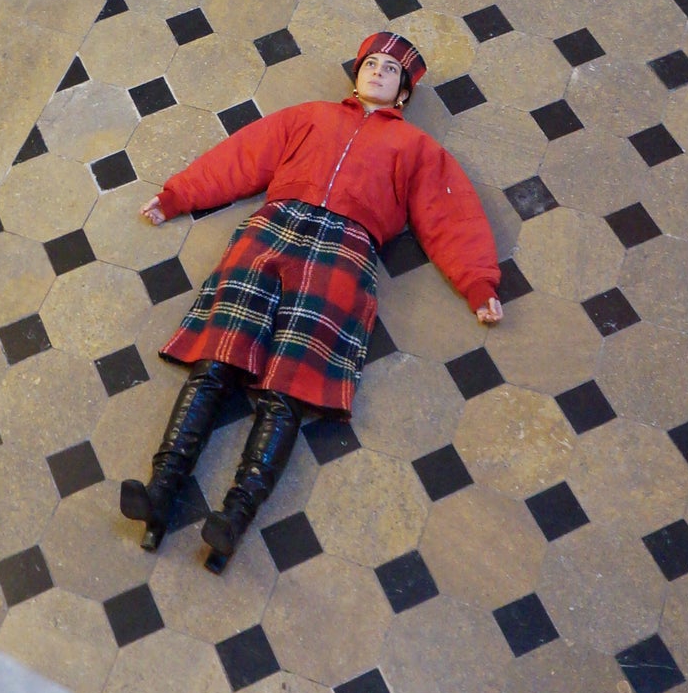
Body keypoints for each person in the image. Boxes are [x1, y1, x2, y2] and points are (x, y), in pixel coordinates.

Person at [119, 31, 503, 569]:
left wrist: (478, 283)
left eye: (390, 70)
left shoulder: (417, 150)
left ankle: (235, 515)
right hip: (274, 227)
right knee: (217, 358)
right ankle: (163, 488)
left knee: (290, 384)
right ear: (356, 73)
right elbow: (243, 156)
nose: (377, 72)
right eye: (370, 63)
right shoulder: (310, 117)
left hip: (346, 249)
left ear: (404, 94)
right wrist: (178, 195)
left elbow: (451, 215)